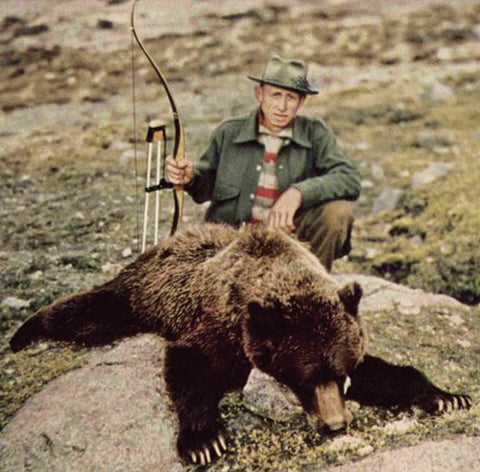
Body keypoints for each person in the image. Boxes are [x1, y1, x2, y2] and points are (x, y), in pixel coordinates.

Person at [166, 55, 361, 271]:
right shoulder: (229, 132)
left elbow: (348, 177)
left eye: (291, 97)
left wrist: (298, 193)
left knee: (337, 212)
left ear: (302, 102)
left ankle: (313, 283)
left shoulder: (315, 133)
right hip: (231, 244)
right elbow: (204, 187)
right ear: (259, 94)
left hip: (291, 244)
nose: (282, 106)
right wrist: (190, 177)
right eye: (275, 95)